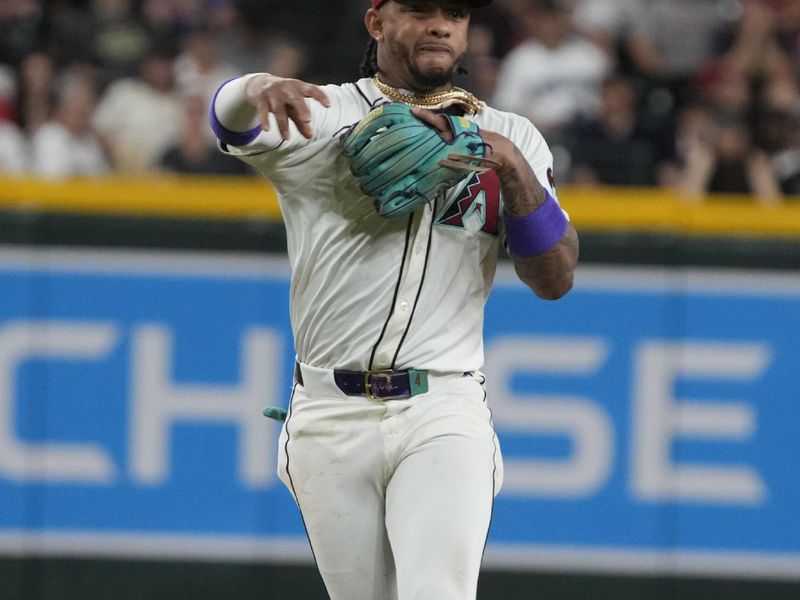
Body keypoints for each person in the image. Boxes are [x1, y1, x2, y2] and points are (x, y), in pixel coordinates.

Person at [208, 1, 578, 599]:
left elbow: (555, 278)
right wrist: (253, 86)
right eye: (420, 10)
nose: (440, 25)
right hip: (329, 412)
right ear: (377, 22)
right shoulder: (324, 114)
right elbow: (231, 124)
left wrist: (509, 168)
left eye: (454, 13)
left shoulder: (512, 138)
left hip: (443, 406)